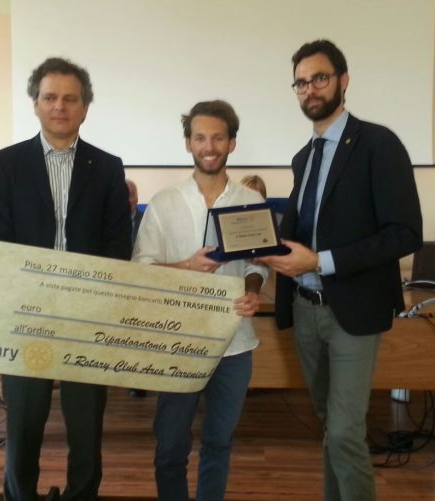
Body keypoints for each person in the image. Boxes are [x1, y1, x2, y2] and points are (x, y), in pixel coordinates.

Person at [259, 39, 422, 501]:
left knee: (347, 432)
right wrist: (265, 250)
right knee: (331, 426)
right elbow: (304, 232)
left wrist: (320, 261)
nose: (310, 89)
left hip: (353, 311)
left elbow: (404, 234)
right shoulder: (304, 157)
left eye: (320, 78)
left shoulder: (378, 144)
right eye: (301, 82)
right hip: (305, 310)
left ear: (343, 81)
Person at [0, 57, 131, 501]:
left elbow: (117, 246)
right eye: (50, 97)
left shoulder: (108, 167)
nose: (60, 106)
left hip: (86, 319)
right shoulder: (6, 164)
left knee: (86, 429)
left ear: (85, 107)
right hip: (27, 316)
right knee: (23, 426)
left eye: (70, 98)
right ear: (35, 103)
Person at [132, 100, 268, 500]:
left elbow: (258, 264)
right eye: (200, 138)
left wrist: (253, 289)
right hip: (177, 342)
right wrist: (187, 266)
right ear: (188, 143)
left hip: (234, 343)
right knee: (170, 447)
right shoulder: (164, 203)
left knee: (219, 443)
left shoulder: (250, 201)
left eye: (218, 138)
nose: (209, 147)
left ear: (232, 143)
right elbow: (141, 269)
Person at [125, 178, 147, 398]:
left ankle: (136, 380)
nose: (126, 201)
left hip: (141, 289)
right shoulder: (107, 221)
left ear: (137, 199)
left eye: (129, 196)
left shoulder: (147, 222)